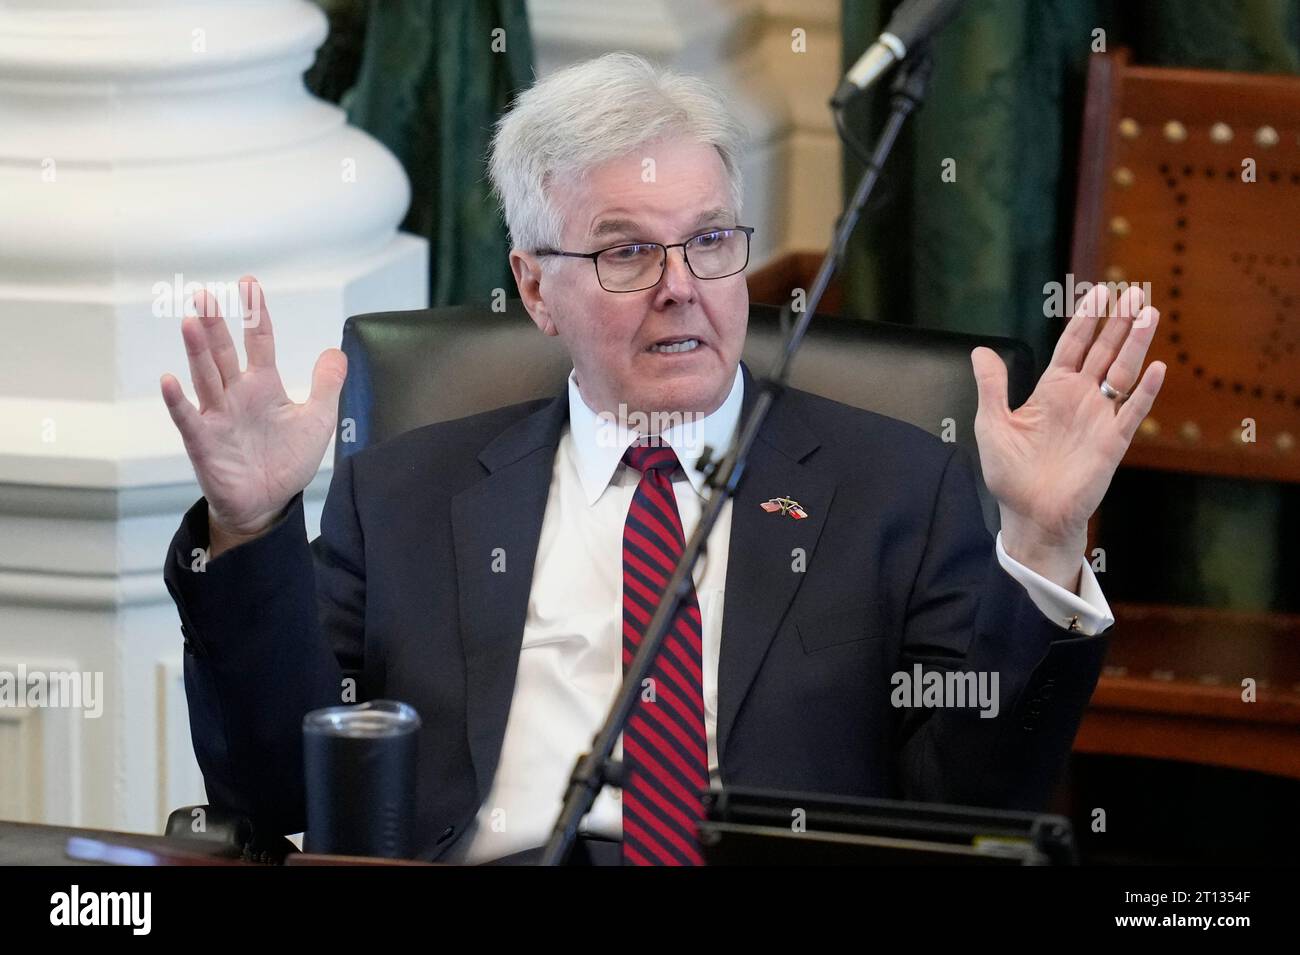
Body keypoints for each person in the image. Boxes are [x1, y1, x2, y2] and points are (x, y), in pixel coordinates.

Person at [160, 53, 1164, 866]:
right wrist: (250, 528)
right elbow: (271, 791)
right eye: (625, 252)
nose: (682, 287)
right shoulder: (404, 492)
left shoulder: (894, 485)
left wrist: (1040, 540)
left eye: (710, 241)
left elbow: (980, 805)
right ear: (535, 287)